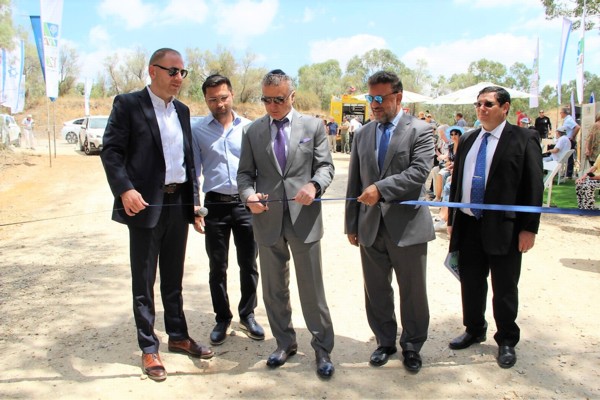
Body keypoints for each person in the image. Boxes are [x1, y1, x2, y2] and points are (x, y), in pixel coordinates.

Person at [100, 48, 213, 382]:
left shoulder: (182, 110)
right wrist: (124, 189)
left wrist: (194, 201)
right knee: (144, 280)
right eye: (173, 71)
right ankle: (149, 347)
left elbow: (188, 162)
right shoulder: (128, 104)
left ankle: (178, 335)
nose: (179, 78)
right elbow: (112, 151)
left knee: (174, 277)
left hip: (177, 204)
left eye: (182, 72)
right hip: (145, 204)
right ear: (153, 71)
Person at [237, 69, 336, 379]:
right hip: (267, 221)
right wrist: (249, 195)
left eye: (278, 99)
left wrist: (315, 186)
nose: (272, 106)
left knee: (312, 290)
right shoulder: (252, 131)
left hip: (303, 219)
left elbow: (325, 167)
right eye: (266, 100)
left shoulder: (313, 126)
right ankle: (284, 343)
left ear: (292, 96)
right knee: (273, 289)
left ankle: (322, 348)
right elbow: (244, 176)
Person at [344, 70, 435, 374]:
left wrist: (381, 189)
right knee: (376, 289)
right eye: (371, 98)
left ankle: (412, 345)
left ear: (398, 97)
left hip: (407, 228)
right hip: (371, 227)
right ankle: (384, 341)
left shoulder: (421, 131)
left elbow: (418, 173)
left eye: (380, 98)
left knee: (412, 291)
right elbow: (355, 182)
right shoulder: (363, 133)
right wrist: (351, 225)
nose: (374, 104)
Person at [447, 86, 543, 369]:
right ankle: (474, 328)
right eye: (478, 104)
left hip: (505, 229)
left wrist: (530, 228)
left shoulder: (524, 138)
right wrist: (452, 220)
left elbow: (533, 186)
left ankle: (507, 340)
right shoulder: (467, 139)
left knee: (504, 287)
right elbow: (457, 183)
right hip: (468, 224)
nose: (481, 109)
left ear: (505, 107)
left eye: (488, 104)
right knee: (471, 282)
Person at [191, 74, 264, 346]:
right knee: (217, 266)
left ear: (232, 95)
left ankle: (248, 314)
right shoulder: (198, 131)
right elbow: (193, 172)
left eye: (223, 97)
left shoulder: (249, 128)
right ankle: (222, 318)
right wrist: (195, 206)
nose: (219, 104)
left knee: (249, 263)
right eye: (213, 99)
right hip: (215, 207)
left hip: (245, 204)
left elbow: (259, 167)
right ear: (206, 100)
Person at [559, 107, 581, 178]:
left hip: (569, 140)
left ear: (563, 113)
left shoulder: (568, 120)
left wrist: (572, 136)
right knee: (568, 156)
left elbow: (577, 127)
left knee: (569, 156)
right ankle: (567, 172)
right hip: (567, 139)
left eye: (561, 113)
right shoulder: (567, 120)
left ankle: (569, 173)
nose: (560, 114)